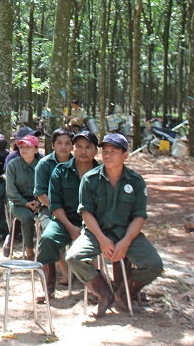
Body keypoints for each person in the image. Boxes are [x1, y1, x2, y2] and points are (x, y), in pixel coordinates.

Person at [66, 133, 164, 317]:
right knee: (73, 257)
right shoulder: (90, 179)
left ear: (125, 155)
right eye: (105, 151)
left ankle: (125, 294)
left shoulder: (135, 181)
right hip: (96, 233)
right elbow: (86, 213)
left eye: (113, 151)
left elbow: (139, 216)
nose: (108, 155)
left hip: (126, 233)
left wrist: (126, 241)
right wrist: (102, 239)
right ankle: (105, 294)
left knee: (154, 264)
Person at [35, 130, 98, 303]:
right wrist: (70, 227)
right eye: (79, 147)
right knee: (47, 239)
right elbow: (55, 204)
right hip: (64, 220)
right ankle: (48, 286)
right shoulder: (59, 170)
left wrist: (89, 229)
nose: (83, 151)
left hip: (93, 223)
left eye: (88, 147)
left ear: (95, 151)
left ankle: (99, 287)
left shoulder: (102, 173)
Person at [33, 128, 75, 284]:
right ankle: (63, 272)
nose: (63, 147)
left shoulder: (79, 163)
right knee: (49, 234)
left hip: (74, 210)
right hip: (48, 209)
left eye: (67, 143)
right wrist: (57, 207)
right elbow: (40, 193)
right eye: (59, 143)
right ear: (53, 145)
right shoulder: (44, 164)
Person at [4, 135, 41, 259]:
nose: (24, 149)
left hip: (40, 202)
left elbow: (48, 187)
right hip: (18, 203)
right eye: (21, 147)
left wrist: (40, 202)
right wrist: (25, 203)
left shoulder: (42, 164)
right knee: (27, 217)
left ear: (36, 149)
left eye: (28, 147)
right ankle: (29, 250)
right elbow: (11, 190)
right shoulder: (13, 165)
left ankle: (49, 254)